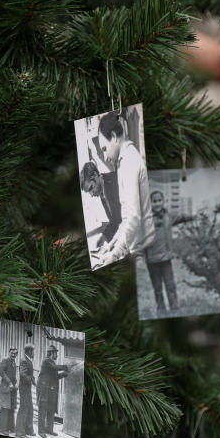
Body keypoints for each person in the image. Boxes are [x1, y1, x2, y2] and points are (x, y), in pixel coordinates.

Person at [94, 112, 155, 268]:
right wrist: (111, 244)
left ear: (114, 136)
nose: (105, 156)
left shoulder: (129, 161)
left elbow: (134, 217)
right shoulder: (123, 160)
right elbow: (126, 217)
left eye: (104, 148)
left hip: (144, 250)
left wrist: (114, 255)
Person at [141, 190, 178, 312]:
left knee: (170, 285)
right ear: (150, 203)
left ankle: (174, 309)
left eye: (159, 200)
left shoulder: (168, 216)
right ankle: (161, 309)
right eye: (154, 201)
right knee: (157, 287)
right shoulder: (145, 219)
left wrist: (195, 216)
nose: (157, 203)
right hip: (152, 260)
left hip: (166, 258)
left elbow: (182, 217)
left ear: (163, 201)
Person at [79, 160, 121, 247]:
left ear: (95, 175)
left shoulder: (115, 180)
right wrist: (103, 237)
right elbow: (114, 221)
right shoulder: (102, 195)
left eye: (91, 188)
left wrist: (113, 244)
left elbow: (125, 218)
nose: (91, 194)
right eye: (88, 192)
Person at [36, 344, 70, 438]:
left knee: (50, 410)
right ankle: (41, 431)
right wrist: (65, 367)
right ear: (51, 353)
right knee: (42, 410)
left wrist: (63, 374)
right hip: (43, 389)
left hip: (50, 390)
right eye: (56, 353)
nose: (57, 355)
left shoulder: (52, 363)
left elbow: (55, 377)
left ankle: (49, 429)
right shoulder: (46, 361)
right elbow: (55, 368)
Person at [15, 345, 36, 437]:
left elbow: (30, 374)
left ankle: (28, 429)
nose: (34, 353)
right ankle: (19, 432)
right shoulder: (24, 360)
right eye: (33, 351)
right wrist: (31, 380)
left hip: (27, 388)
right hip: (24, 388)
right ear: (29, 351)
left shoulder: (28, 360)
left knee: (30, 408)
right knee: (23, 408)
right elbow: (23, 374)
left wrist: (35, 383)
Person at [0, 347, 18, 434]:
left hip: (12, 388)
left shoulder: (14, 362)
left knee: (11, 407)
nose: (13, 355)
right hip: (5, 387)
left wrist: (16, 383)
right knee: (5, 408)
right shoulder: (5, 360)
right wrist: (9, 382)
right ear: (9, 352)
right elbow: (2, 373)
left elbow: (14, 376)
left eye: (15, 353)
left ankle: (10, 427)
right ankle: (2, 429)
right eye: (12, 353)